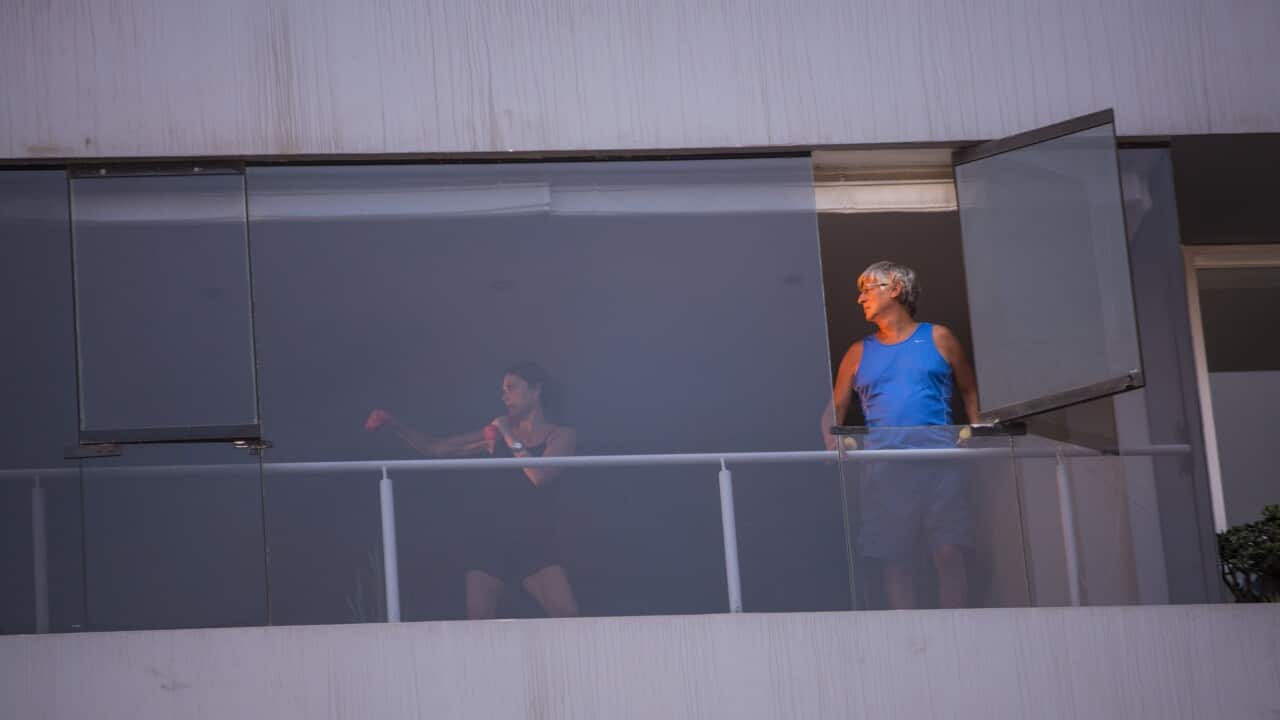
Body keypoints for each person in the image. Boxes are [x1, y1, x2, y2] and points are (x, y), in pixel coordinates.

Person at [364, 362, 580, 620]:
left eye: (511, 388)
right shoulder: (497, 434)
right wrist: (394, 425)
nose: (504, 395)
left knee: (566, 613)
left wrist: (509, 436)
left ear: (536, 390)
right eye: (502, 390)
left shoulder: (561, 435)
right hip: (492, 538)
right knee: (477, 620)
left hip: (535, 540)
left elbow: (539, 476)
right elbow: (438, 448)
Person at [821, 261, 980, 609]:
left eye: (867, 289)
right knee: (896, 560)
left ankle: (956, 631)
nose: (860, 298)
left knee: (949, 552)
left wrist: (975, 433)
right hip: (885, 469)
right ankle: (908, 638)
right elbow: (835, 406)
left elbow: (969, 390)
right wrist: (830, 438)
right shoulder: (859, 351)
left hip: (941, 464)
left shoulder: (938, 337)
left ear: (894, 288)